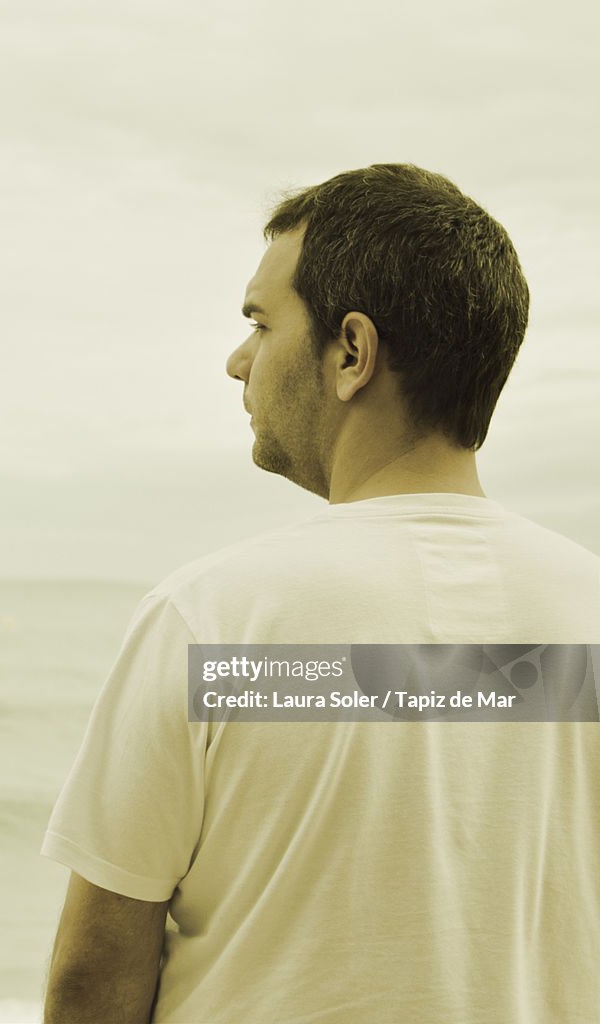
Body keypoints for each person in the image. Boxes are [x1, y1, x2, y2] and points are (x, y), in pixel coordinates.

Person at [39, 163, 600, 1023]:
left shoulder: (213, 623)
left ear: (351, 353)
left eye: (260, 324)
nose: (238, 361)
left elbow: (95, 979)